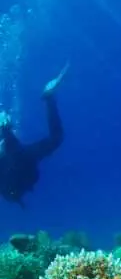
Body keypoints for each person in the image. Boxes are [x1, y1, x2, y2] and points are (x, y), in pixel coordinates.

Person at [0, 64, 69, 206]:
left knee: (56, 138)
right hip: (19, 157)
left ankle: (48, 97)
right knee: (56, 139)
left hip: (16, 158)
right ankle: (49, 97)